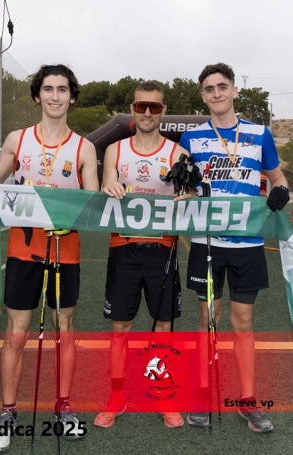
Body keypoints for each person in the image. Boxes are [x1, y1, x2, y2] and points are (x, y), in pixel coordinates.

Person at [0, 64, 99, 451]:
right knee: (16, 333)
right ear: (37, 96)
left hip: (65, 249)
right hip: (24, 248)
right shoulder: (18, 139)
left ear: (72, 96)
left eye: (63, 90)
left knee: (63, 328)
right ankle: (7, 412)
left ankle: (65, 408)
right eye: (48, 89)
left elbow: (93, 205)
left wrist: (68, 221)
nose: (55, 96)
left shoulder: (84, 147)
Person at [178, 63, 290, 433]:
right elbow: (184, 190)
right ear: (203, 96)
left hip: (248, 243)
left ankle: (246, 399)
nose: (216, 94)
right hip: (206, 242)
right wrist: (185, 188)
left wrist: (281, 191)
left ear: (234, 90)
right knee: (207, 320)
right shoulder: (191, 139)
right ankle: (202, 394)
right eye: (209, 89)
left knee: (243, 321)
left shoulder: (260, 133)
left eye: (222, 86)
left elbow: (277, 177)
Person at [94, 81, 188, 429]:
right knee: (121, 326)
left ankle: (162, 393)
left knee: (163, 326)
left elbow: (190, 196)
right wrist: (109, 187)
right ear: (133, 109)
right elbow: (105, 189)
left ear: (163, 111)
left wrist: (188, 194)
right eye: (140, 106)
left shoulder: (177, 153)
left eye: (154, 107)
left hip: (162, 249)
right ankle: (117, 396)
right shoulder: (116, 150)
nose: (147, 112)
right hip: (124, 248)